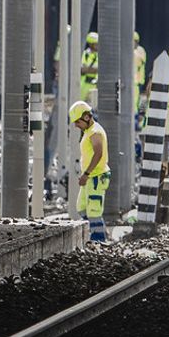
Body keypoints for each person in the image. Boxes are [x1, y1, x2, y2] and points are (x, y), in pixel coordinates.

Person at [70, 100, 110, 243]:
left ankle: (99, 242)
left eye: (77, 122)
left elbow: (98, 153)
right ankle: (98, 234)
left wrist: (86, 174)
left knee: (94, 211)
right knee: (82, 208)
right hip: (90, 177)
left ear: (86, 117)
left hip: (95, 178)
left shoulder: (95, 132)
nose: (76, 125)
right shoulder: (89, 131)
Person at [80, 31, 99, 104]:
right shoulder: (85, 54)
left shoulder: (100, 55)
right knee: (81, 103)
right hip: (84, 83)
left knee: (94, 105)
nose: (97, 45)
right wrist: (95, 70)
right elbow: (82, 69)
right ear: (91, 44)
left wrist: (89, 69)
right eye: (95, 44)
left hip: (95, 84)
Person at [133, 31, 147, 125]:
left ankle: (135, 123)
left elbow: (139, 61)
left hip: (137, 81)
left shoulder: (139, 51)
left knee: (135, 104)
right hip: (133, 82)